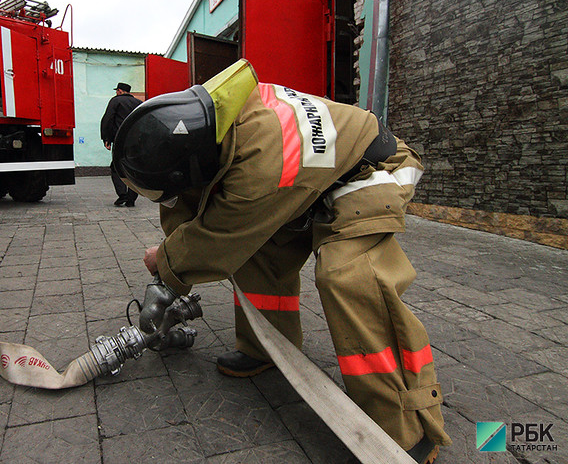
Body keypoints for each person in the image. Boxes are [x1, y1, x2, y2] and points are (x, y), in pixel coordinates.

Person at [112, 60, 450, 463]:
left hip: (373, 170)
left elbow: (215, 239)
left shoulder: (258, 164)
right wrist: (173, 256)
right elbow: (192, 206)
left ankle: (407, 422)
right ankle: (267, 349)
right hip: (314, 182)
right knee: (258, 254)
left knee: (349, 275)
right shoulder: (215, 121)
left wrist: (165, 262)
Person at [101, 82, 141, 207]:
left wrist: (106, 138)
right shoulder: (139, 103)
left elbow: (108, 119)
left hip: (120, 141)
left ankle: (122, 194)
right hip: (135, 142)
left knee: (116, 168)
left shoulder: (115, 101)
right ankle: (131, 198)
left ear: (119, 91)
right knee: (134, 169)